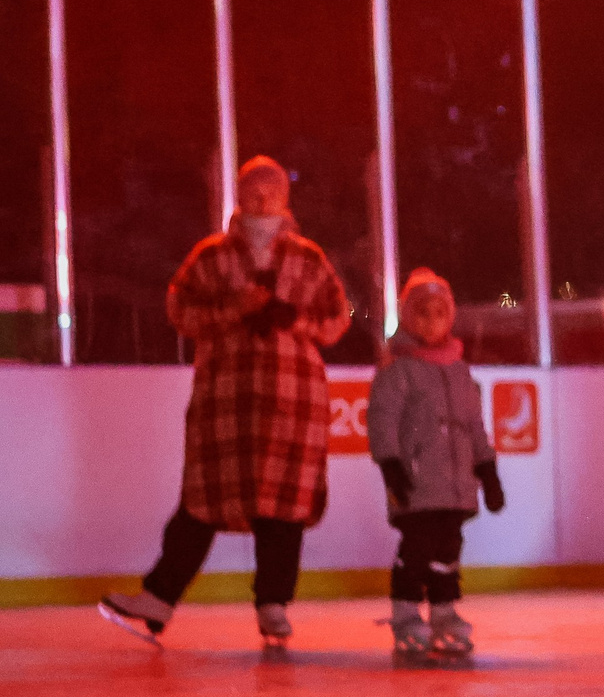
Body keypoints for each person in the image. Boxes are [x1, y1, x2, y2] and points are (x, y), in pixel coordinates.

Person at [99, 157, 354, 650]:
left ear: (286, 198)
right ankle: (159, 597)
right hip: (226, 399)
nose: (261, 198)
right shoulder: (211, 255)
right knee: (203, 500)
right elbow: (181, 311)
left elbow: (336, 318)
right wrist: (230, 310)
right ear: (238, 195)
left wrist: (294, 321)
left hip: (291, 398)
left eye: (271, 189)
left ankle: (274, 605)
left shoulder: (308, 257)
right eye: (252, 189)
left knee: (283, 504)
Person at [369, 268, 504, 662]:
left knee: (448, 547)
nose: (432, 322)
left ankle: (444, 610)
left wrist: (487, 470)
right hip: (414, 479)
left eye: (439, 313)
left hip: (457, 483)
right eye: (422, 313)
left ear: (451, 317)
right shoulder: (398, 368)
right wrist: (390, 465)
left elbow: (475, 426)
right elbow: (382, 419)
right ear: (409, 318)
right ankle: (407, 612)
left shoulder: (459, 371)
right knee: (418, 545)